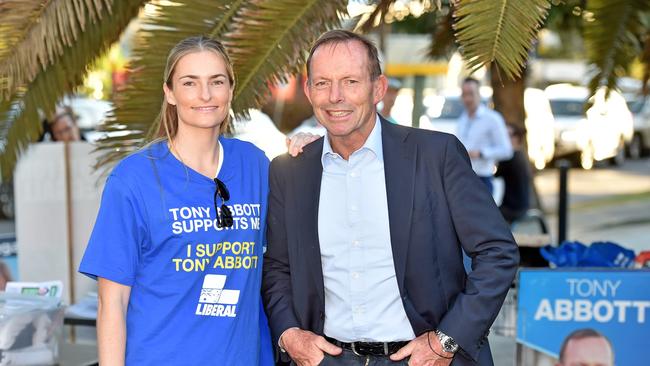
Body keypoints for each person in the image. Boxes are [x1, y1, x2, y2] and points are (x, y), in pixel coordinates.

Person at [262, 30, 519, 366]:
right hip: (328, 358)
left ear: (378, 89)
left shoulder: (435, 156)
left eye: (350, 81)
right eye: (322, 83)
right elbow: (277, 267)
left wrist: (447, 340)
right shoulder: (291, 171)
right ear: (309, 91)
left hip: (424, 358)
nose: (335, 96)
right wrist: (289, 335)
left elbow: (497, 252)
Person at [78, 36, 313, 365]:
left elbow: (297, 247)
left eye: (216, 82)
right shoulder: (133, 180)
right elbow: (112, 302)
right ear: (170, 93)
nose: (205, 95)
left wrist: (312, 152)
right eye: (190, 83)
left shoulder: (255, 165)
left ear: (231, 90)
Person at [457, 77, 512, 194]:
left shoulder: (492, 118)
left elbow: (507, 150)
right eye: (464, 94)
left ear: (479, 94)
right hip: (461, 179)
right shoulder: (462, 119)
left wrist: (481, 153)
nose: (467, 98)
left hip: (482, 180)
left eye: (471, 94)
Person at [496, 123, 531, 224]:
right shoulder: (520, 154)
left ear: (516, 138)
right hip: (521, 206)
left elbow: (495, 174)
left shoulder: (510, 157)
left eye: (508, 136)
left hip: (514, 209)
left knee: (483, 213)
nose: (504, 139)